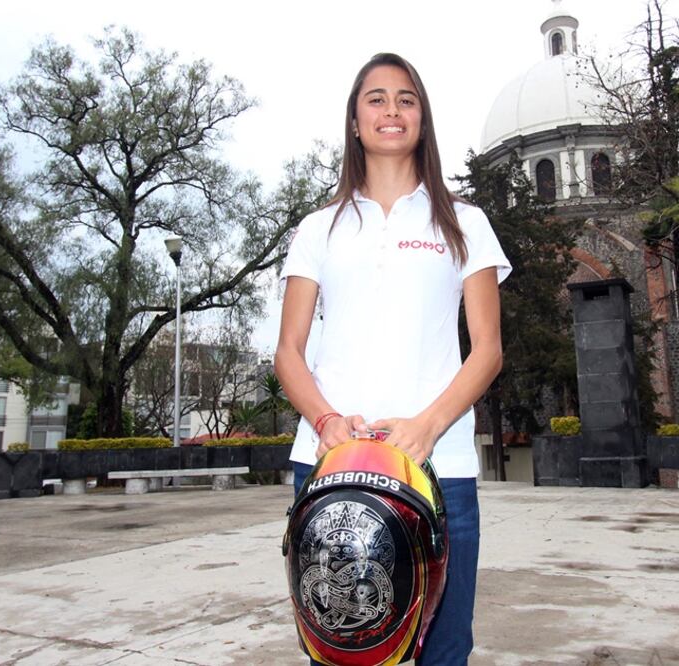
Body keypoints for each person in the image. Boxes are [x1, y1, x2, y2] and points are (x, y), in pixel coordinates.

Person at [274, 52, 510, 665]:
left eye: (406, 99)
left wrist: (425, 429)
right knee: (343, 645)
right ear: (355, 121)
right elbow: (289, 352)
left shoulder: (466, 222)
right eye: (376, 98)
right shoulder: (317, 228)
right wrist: (327, 423)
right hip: (329, 464)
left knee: (445, 642)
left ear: (423, 119)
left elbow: (487, 349)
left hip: (439, 464)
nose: (392, 110)